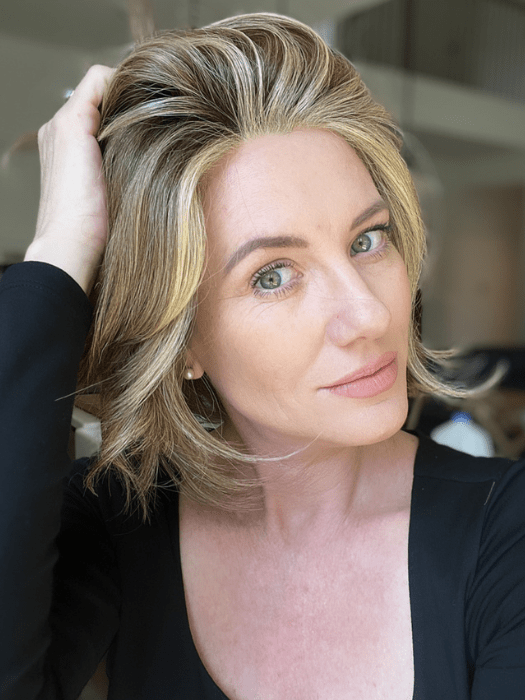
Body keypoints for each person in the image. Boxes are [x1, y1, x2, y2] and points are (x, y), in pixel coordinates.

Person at [1, 12, 525, 700]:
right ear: (181, 340)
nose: (368, 315)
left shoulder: (508, 533)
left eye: (367, 239)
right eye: (273, 275)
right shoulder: (117, 521)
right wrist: (59, 250)